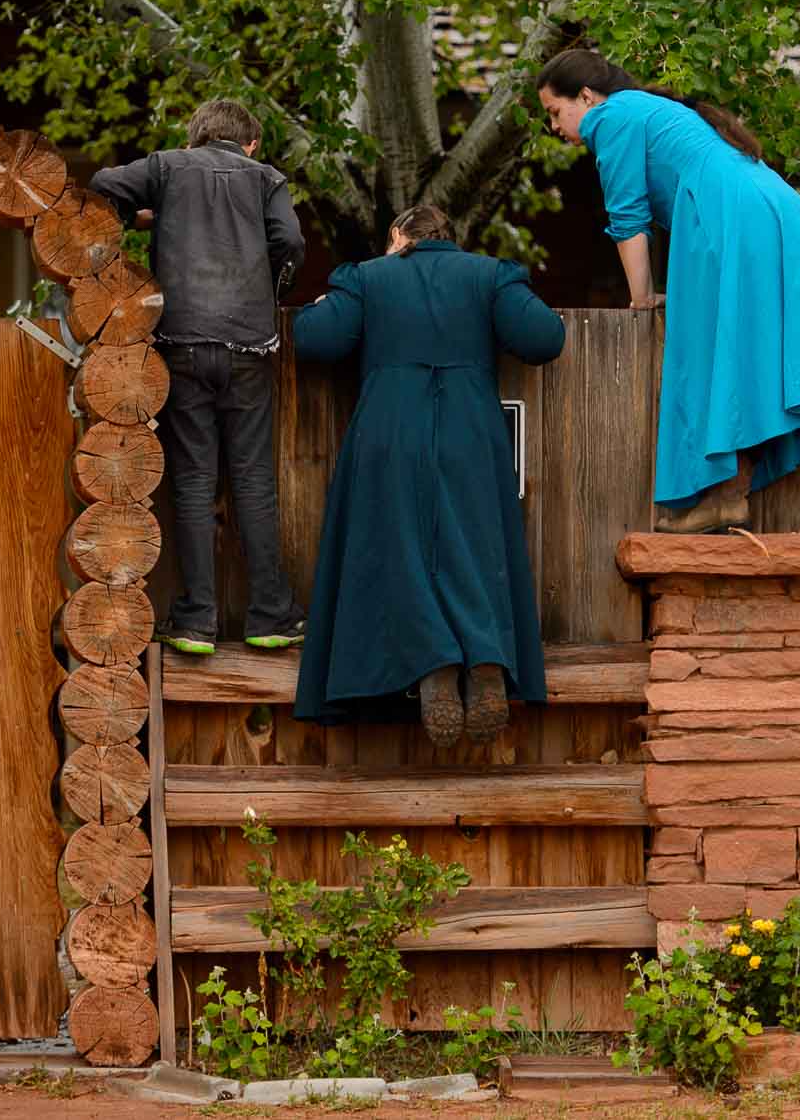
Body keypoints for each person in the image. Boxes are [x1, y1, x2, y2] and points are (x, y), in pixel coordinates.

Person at [535, 49, 800, 533]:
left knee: (747, 352)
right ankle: (728, 494)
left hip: (733, 218)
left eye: (555, 112)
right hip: (772, 205)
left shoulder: (612, 116)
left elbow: (628, 218)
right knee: (756, 354)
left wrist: (641, 297)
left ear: (587, 96)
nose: (554, 126)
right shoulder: (647, 109)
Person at [289, 204, 566, 747]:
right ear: (451, 238)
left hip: (390, 430)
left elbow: (314, 340)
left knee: (400, 550)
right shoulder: (490, 274)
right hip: (471, 430)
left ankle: (431, 664)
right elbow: (543, 340)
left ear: (398, 236)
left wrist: (331, 302)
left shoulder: (368, 277)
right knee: (473, 547)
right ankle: (484, 659)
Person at [89, 99, 308, 655]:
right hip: (250, 347)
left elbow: (103, 183)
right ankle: (269, 618)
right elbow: (292, 242)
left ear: (194, 139)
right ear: (251, 143)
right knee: (254, 480)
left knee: (191, 480)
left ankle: (194, 622)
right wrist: (268, 289)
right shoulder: (267, 178)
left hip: (181, 343)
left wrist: (149, 218)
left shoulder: (167, 167)